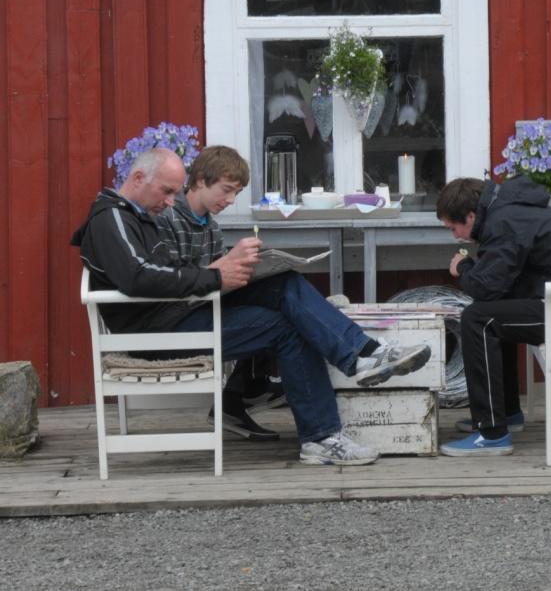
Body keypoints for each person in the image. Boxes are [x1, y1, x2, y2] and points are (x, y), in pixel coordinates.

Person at [72, 147, 431, 465]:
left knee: (284, 285)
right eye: (167, 191)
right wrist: (217, 275)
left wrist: (235, 273)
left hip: (180, 314)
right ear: (137, 177)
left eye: (173, 193)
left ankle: (366, 355)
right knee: (289, 325)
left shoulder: (138, 217)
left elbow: (164, 274)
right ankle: (322, 435)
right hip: (158, 334)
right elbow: (140, 278)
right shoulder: (111, 217)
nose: (170, 201)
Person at [436, 175, 551, 456]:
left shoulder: (505, 221)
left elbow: (484, 288)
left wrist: (464, 268)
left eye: (454, 227)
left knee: (477, 319)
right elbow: (497, 287)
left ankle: (491, 433)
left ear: (471, 216)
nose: (455, 235)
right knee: (495, 311)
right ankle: (505, 414)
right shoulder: (509, 211)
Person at [157, 145, 281, 441]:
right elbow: (173, 283)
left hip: (207, 308)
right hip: (181, 319)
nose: (230, 200)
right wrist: (227, 265)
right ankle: (249, 391)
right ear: (199, 180)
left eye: (236, 193)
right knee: (275, 320)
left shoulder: (210, 227)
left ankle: (245, 392)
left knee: (276, 298)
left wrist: (249, 271)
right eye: (226, 190)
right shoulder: (168, 219)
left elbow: (219, 278)